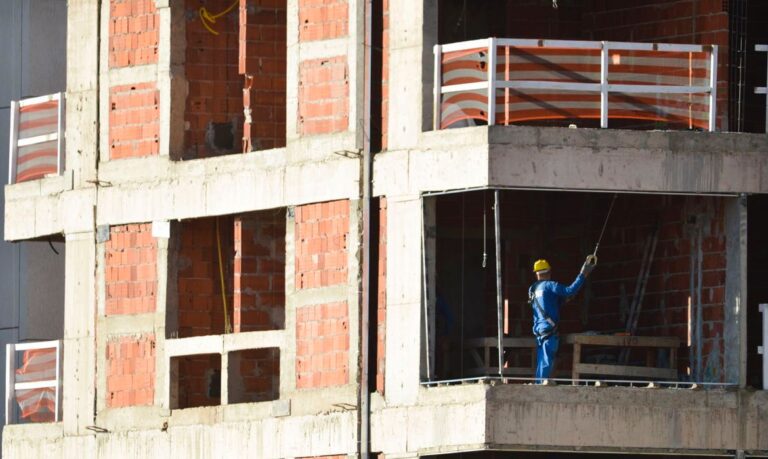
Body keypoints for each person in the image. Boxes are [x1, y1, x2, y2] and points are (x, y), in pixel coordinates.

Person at [528, 257, 595, 383]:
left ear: (536, 274)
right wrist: (583, 274)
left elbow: (547, 304)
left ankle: (538, 385)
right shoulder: (550, 285)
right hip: (549, 331)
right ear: (548, 272)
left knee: (541, 361)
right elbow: (569, 291)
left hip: (539, 331)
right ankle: (540, 389)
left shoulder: (532, 290)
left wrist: (563, 300)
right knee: (547, 362)